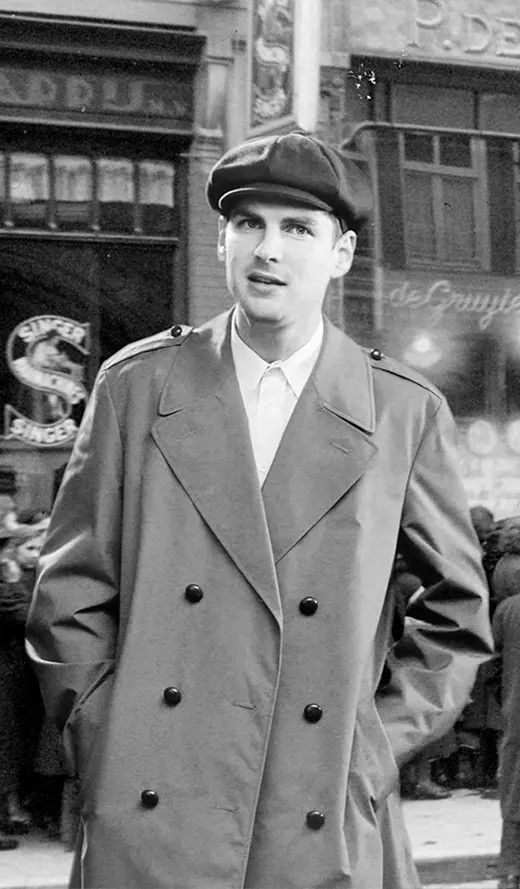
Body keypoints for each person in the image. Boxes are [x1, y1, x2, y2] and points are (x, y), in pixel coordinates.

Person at [26, 131, 493, 889]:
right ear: (221, 241)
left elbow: (457, 616)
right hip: (153, 807)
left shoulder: (402, 411)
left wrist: (370, 747)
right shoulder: (135, 387)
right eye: (249, 223)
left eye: (298, 228)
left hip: (319, 806)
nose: (268, 249)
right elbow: (70, 592)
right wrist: (111, 738)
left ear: (341, 253)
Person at [490, 524, 520, 889]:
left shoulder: (508, 609)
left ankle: (511, 869)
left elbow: (493, 660)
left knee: (514, 789)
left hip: (515, 709)